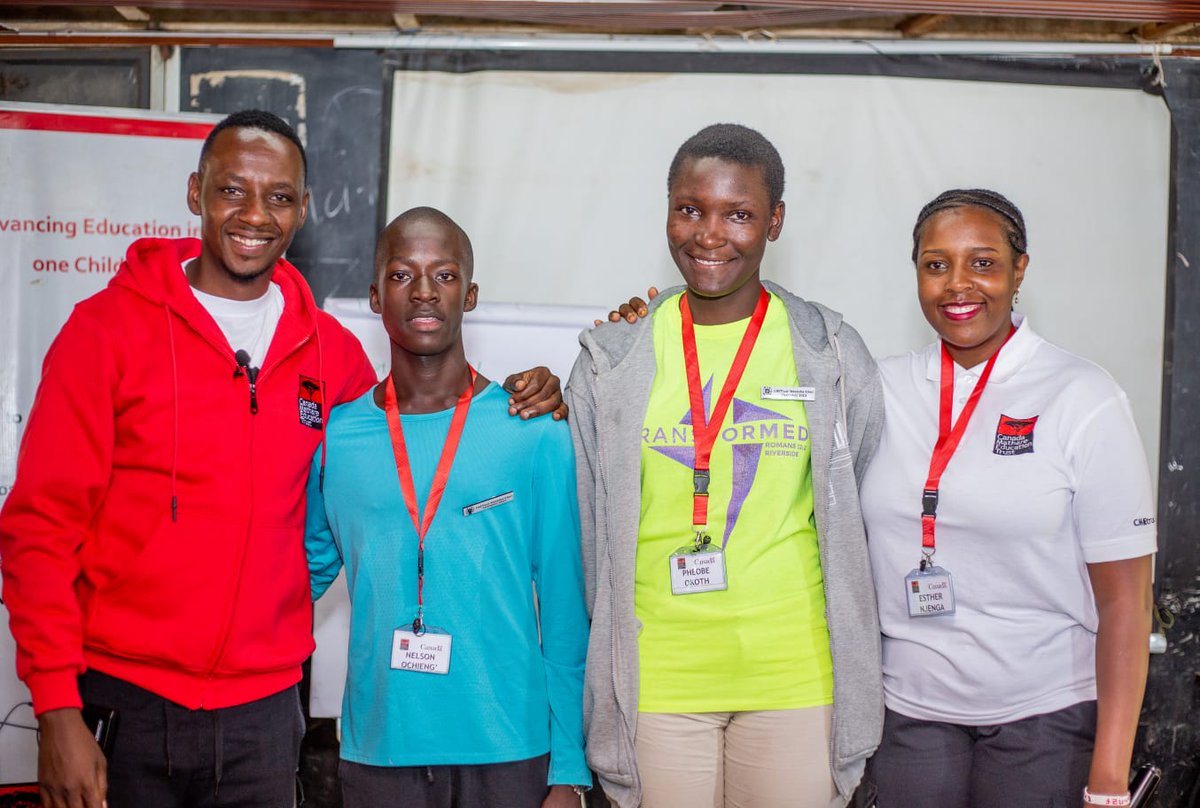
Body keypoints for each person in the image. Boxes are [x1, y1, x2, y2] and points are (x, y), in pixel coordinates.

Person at [0, 110, 565, 808]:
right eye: (232, 190)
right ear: (195, 193)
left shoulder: (333, 356)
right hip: (126, 703)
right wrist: (56, 708)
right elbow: (39, 529)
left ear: (302, 209)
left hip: (265, 715)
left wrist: (543, 390)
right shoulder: (105, 331)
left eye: (278, 196)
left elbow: (415, 426)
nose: (254, 214)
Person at [567, 123, 885, 808]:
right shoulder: (614, 358)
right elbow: (587, 514)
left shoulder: (828, 350)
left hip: (795, 678)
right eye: (690, 209)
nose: (710, 234)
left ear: (774, 221)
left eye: (738, 214)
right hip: (656, 683)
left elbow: (858, 487)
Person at [858, 189, 1156, 808]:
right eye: (936, 264)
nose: (958, 285)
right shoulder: (877, 388)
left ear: (1020, 270)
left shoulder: (1082, 396)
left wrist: (1109, 777)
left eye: (983, 262)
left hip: (1044, 715)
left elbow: (1126, 601)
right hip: (909, 714)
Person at [305, 206, 590, 808]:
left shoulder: (531, 430)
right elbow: (294, 579)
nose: (425, 292)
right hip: (379, 752)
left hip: (511, 750)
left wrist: (569, 768)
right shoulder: (338, 439)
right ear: (375, 296)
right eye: (403, 275)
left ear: (472, 293)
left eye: (446, 275)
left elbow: (566, 612)